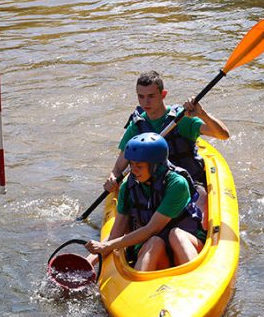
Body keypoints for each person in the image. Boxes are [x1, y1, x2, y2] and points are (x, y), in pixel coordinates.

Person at [104, 71, 230, 227]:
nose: (145, 102)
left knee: (200, 215)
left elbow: (223, 135)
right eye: (141, 97)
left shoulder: (181, 119)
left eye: (151, 96)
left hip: (188, 184)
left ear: (163, 94)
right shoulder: (136, 126)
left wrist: (202, 114)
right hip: (151, 188)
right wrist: (112, 178)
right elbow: (118, 167)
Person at [86, 133, 205, 271]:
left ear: (155, 166)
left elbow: (152, 228)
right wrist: (89, 261)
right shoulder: (128, 187)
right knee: (155, 242)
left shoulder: (177, 184)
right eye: (131, 164)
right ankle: (138, 287)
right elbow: (115, 234)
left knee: (176, 235)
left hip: (186, 244)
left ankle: (193, 277)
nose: (133, 170)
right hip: (154, 250)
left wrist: (108, 246)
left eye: (139, 166)